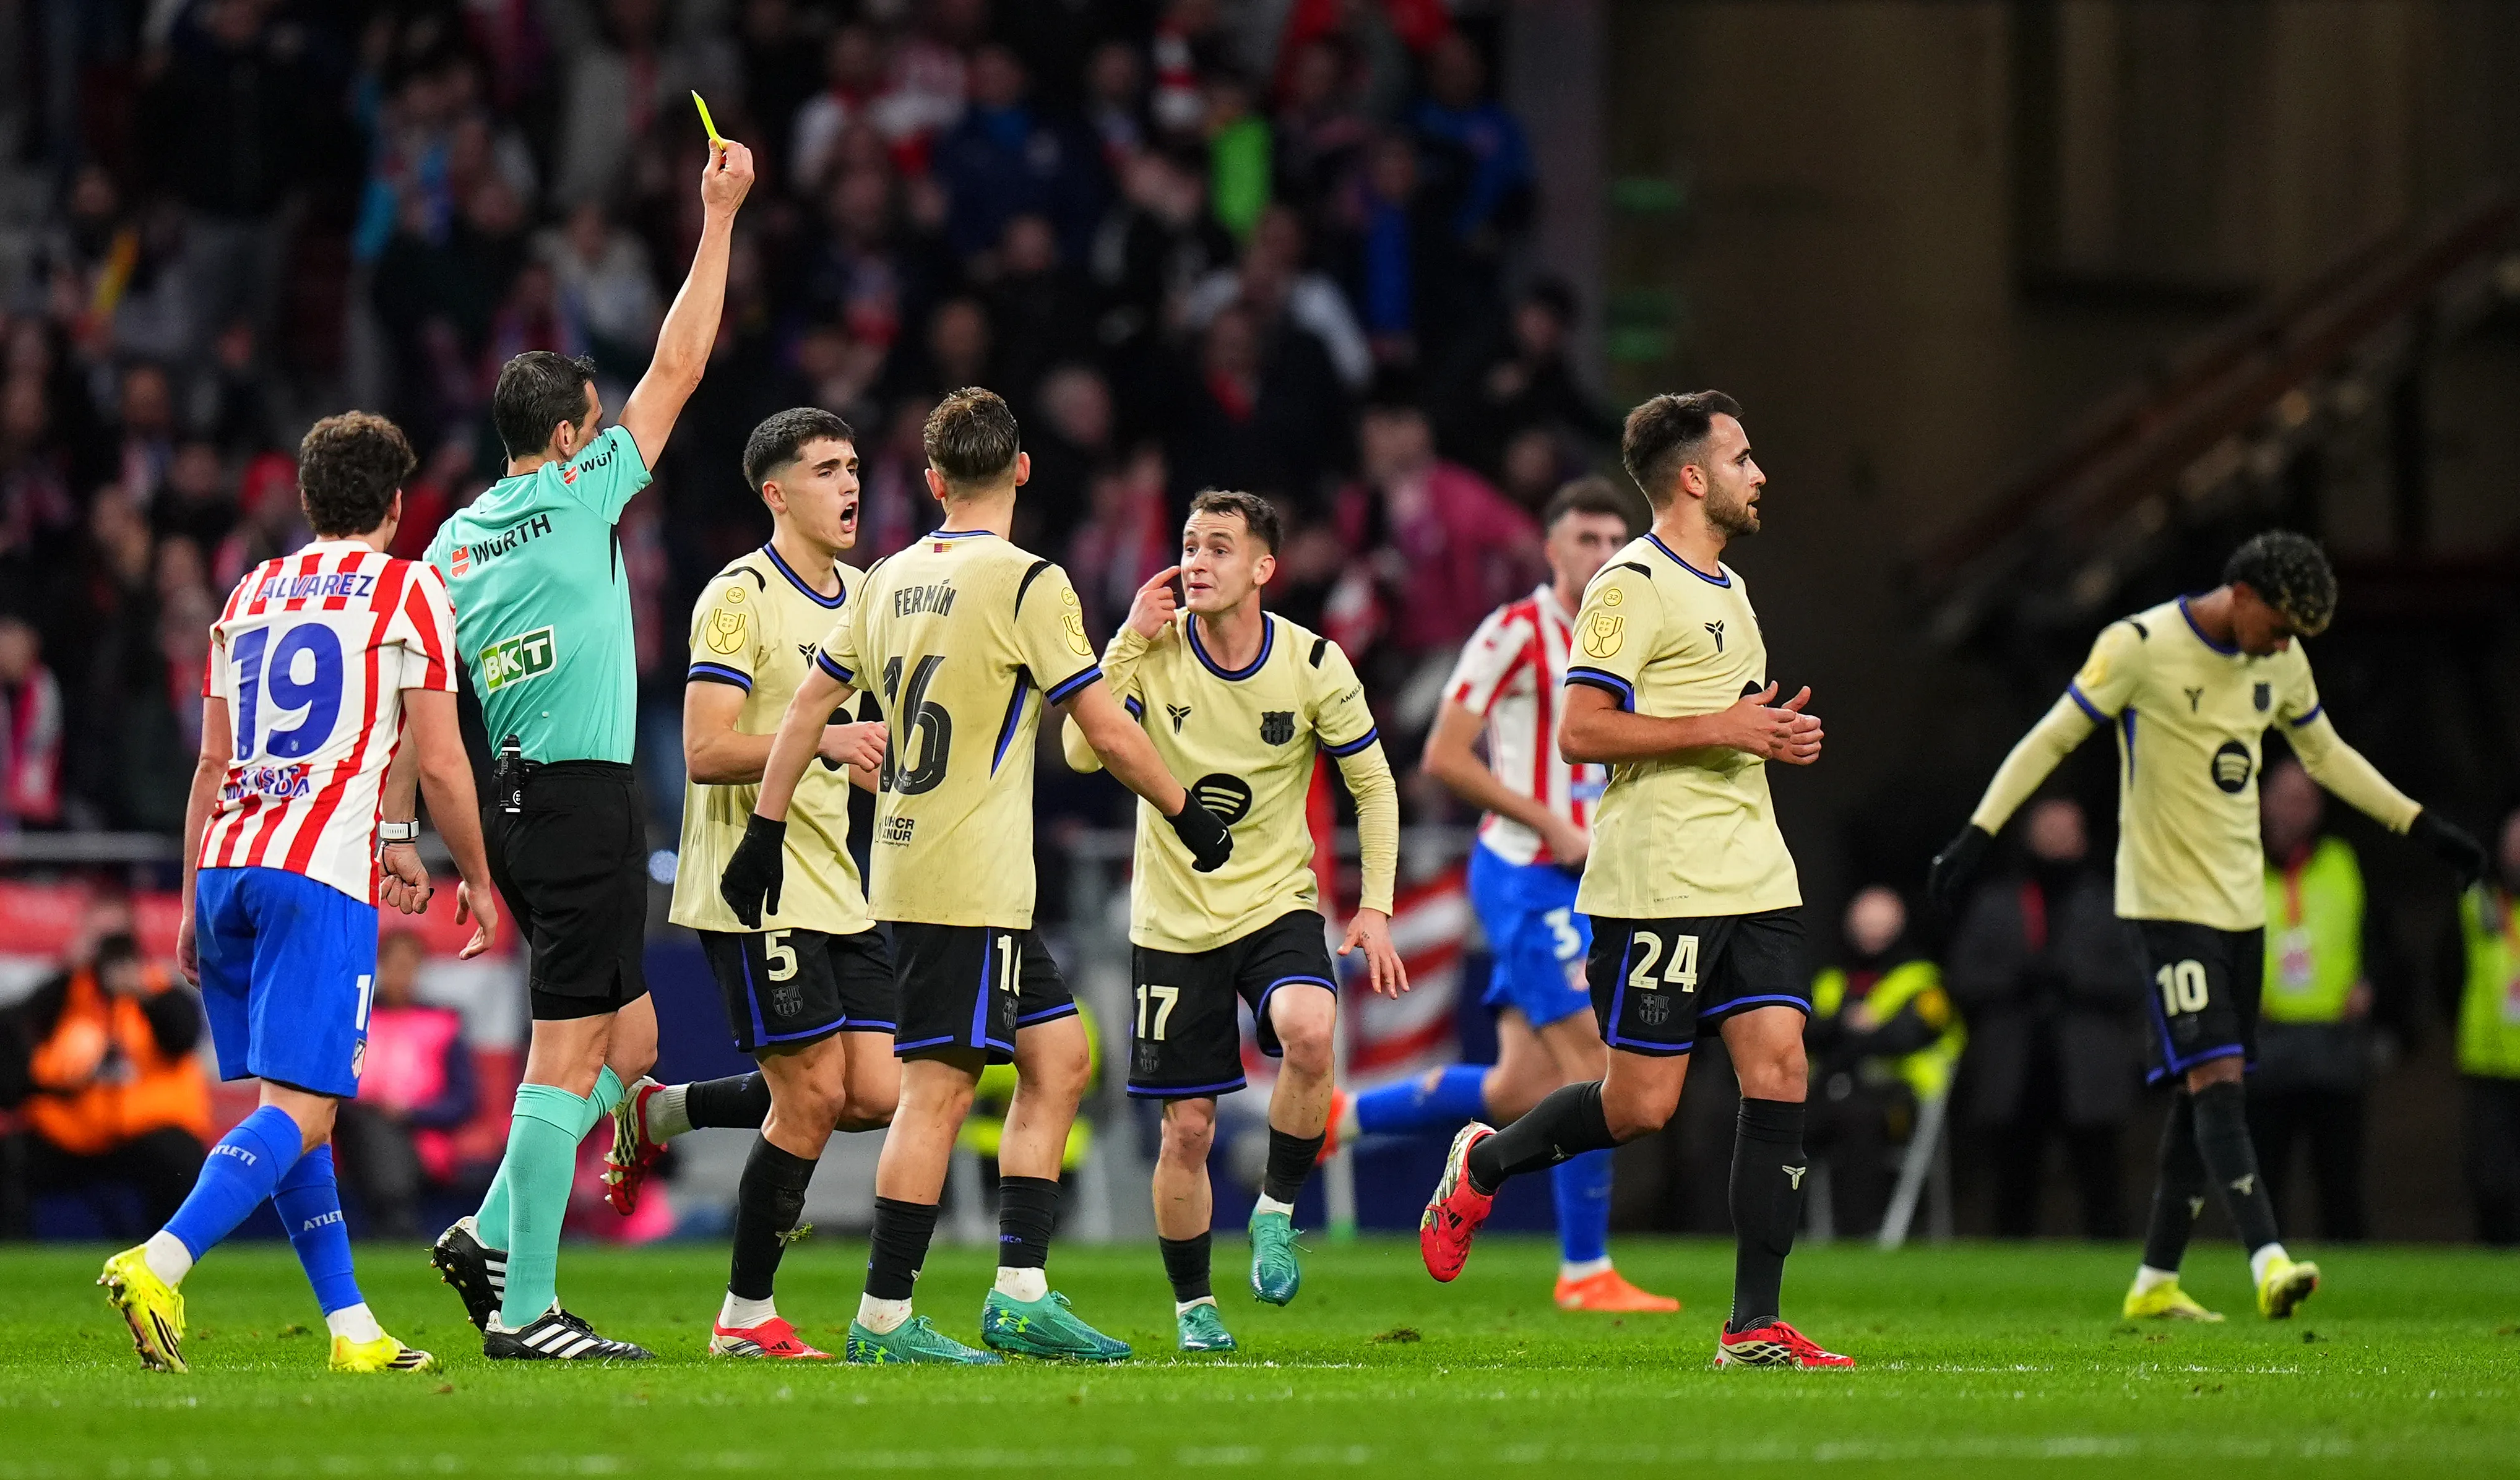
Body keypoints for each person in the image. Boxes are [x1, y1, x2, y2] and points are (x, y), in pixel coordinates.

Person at [720, 387, 1232, 1364]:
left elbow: (803, 714)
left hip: (925, 865)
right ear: (1024, 470)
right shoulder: (1030, 582)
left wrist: (766, 831)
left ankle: (1020, 1293)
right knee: (939, 1093)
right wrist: (1182, 811)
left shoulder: (887, 578)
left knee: (1058, 1060)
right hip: (964, 880)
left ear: (933, 480)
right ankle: (883, 1317)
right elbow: (1105, 727)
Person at [1929, 531, 2486, 1322]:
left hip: (2240, 908)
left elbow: (2325, 756)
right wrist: (1977, 835)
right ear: (2245, 595)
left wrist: (2423, 827)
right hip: (2163, 905)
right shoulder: (2139, 647)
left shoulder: (2278, 661)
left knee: (2206, 1094)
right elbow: (2053, 735)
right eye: (2279, 625)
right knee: (2218, 1083)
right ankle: (2268, 1260)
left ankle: (2155, 1280)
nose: (2283, 644)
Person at [1416, 390, 1851, 1369]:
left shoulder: (1732, 592)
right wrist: (1727, 729)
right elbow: (1581, 730)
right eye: (1742, 457)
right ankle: (1483, 1163)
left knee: (1780, 1066)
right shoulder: (1628, 585)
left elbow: (1718, 725)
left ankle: (1753, 1326)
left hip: (1752, 869)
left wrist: (1769, 735)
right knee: (1640, 1107)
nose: (1759, 473)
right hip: (1658, 883)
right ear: (1693, 476)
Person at [424, 135, 754, 1363]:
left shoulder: (452, 542)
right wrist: (716, 214)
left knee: (634, 1044)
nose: (609, 427)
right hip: (581, 800)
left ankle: (486, 1229)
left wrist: (427, 837)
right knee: (569, 1056)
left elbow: (417, 690)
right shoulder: (582, 492)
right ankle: (526, 1307)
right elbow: (680, 360)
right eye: (595, 421)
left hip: (513, 805)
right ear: (571, 439)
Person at [99, 410, 500, 1375]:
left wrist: (194, 904)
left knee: (298, 1108)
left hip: (232, 862)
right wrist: (479, 878)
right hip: (316, 877)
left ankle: (351, 1330)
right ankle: (161, 1260)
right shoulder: (410, 591)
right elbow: (440, 759)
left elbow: (210, 766)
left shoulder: (250, 591)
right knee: (306, 1106)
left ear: (307, 499)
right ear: (399, 505)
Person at [1059, 489, 1405, 1354]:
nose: (1198, 562)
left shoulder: (1314, 663)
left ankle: (1278, 1211)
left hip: (1274, 899)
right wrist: (1128, 638)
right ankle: (1194, 1310)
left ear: (1263, 569)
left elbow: (1375, 784)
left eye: (1219, 548)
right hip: (1173, 920)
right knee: (1189, 1128)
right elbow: (1076, 750)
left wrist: (1376, 906)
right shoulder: (1156, 651)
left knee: (1309, 1030)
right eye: (1189, 546)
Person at [1335, 475, 1679, 1313]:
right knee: (1598, 1068)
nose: (1601, 555)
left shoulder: (1626, 635)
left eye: (1612, 542)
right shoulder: (1514, 631)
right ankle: (1584, 1270)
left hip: (1595, 883)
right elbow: (1445, 756)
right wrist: (1549, 822)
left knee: (1518, 1087)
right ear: (1552, 548)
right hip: (1527, 875)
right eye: (1585, 540)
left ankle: (1343, 1116)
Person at [602, 408, 897, 1359]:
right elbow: (703, 749)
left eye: (853, 467)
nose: (849, 486)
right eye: (824, 471)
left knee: (878, 1095)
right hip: (753, 880)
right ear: (776, 493)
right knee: (808, 1100)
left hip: (837, 877)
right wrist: (826, 742)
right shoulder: (738, 597)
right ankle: (744, 1317)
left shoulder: (865, 593)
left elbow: (851, 737)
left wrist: (862, 760)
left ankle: (664, 1108)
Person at [1943, 796, 2144, 1239]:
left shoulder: (2109, 901)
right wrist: (2016, 980)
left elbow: (2136, 979)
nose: (2056, 840)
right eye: (2047, 829)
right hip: (2016, 1063)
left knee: (2101, 1182)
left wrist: (2079, 980)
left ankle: (2112, 1267)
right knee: (2013, 1184)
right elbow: (1963, 976)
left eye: (2065, 830)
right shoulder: (1996, 901)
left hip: (2088, 1066)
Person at [2250, 757, 2375, 1241]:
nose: (2292, 811)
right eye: (2283, 798)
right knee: (2264, 1176)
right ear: (2262, 802)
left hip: (2334, 1044)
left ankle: (2352, 1280)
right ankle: (2266, 1268)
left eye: (2303, 800)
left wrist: (2372, 986)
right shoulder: (2237, 865)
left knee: (2339, 1177)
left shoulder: (2343, 862)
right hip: (2266, 1041)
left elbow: (2379, 942)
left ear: (2318, 809)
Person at [14, 931, 209, 1233]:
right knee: (12, 1158)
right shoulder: (64, 992)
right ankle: (16, 1261)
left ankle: (171, 1252)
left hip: (146, 1131)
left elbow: (184, 1037)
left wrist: (145, 996)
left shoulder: (160, 991)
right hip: (72, 1133)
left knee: (181, 1160)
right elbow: (18, 1050)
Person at [1804, 887, 1962, 1239]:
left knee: (1859, 1119)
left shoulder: (1922, 978)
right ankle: (1755, 1232)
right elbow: (1805, 1030)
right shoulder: (1831, 977)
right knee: (1764, 1117)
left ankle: (1860, 1235)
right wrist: (1853, 1027)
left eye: (1881, 924)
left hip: (1899, 1100)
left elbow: (1910, 1034)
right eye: (1864, 924)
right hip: (1832, 1091)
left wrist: (1845, 1032)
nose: (1871, 933)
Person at [334, 931, 477, 1239]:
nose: (401, 974)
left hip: (422, 1137)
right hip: (356, 1131)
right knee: (367, 1121)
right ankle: (397, 1217)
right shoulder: (358, 1023)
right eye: (394, 965)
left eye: (408, 966)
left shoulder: (443, 1023)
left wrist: (409, 1113)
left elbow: (463, 1101)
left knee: (381, 1127)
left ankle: (393, 1217)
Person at [2457, 807, 2520, 1245]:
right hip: (2490, 1062)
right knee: (2493, 1180)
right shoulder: (2476, 900)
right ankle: (2493, 1258)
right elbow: (2448, 973)